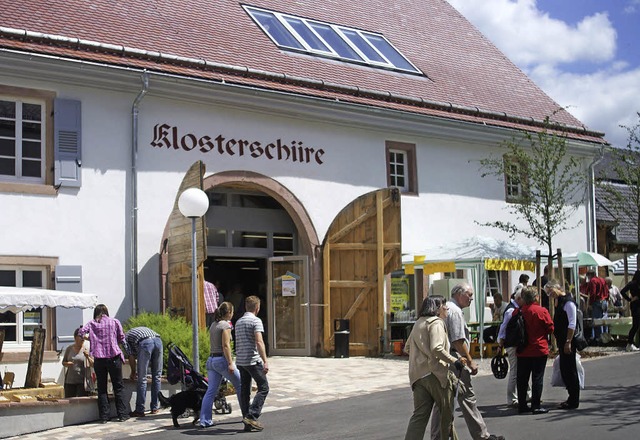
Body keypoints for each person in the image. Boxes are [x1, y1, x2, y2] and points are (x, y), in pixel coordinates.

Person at [431, 283, 505, 440]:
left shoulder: (448, 308)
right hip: (455, 359)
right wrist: (470, 361)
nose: (472, 298)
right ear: (459, 294)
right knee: (466, 397)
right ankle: (481, 436)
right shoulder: (455, 311)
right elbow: (458, 341)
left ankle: (437, 436)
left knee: (443, 401)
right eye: (469, 294)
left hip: (444, 359)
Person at [404, 295, 466, 440]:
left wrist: (422, 355)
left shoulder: (418, 322)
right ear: (437, 309)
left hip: (418, 376)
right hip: (435, 375)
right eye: (444, 305)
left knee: (419, 417)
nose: (447, 308)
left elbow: (407, 348)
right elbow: (437, 348)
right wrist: (454, 361)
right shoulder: (436, 323)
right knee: (446, 415)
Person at [80, 304, 129, 423]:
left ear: (95, 313)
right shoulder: (115, 321)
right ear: (106, 312)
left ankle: (104, 417)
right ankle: (122, 415)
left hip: (99, 359)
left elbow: (81, 333)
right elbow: (122, 338)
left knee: (101, 388)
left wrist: (91, 338)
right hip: (114, 357)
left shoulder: (92, 323)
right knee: (118, 386)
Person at [199, 301, 243, 428]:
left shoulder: (213, 324)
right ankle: (247, 414)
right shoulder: (225, 325)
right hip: (221, 360)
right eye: (232, 311)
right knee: (240, 385)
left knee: (211, 391)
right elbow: (226, 345)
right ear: (229, 313)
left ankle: (205, 420)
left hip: (211, 360)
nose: (233, 314)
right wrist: (230, 363)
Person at [516, 287, 554, 414]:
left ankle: (522, 405)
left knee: (522, 379)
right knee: (537, 378)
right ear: (536, 297)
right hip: (538, 348)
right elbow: (550, 327)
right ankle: (536, 405)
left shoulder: (518, 311)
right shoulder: (541, 310)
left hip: (522, 349)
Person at [235, 295, 269, 432]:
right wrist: (265, 360)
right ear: (257, 308)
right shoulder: (256, 321)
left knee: (245, 391)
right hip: (252, 360)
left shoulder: (238, 322)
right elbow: (259, 342)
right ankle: (252, 415)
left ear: (245, 307)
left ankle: (246, 421)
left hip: (241, 360)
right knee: (264, 387)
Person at [545, 280, 580, 409]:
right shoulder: (559, 301)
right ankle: (571, 396)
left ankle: (574, 399)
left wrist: (568, 342)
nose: (550, 295)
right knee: (565, 368)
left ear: (557, 288)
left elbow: (572, 323)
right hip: (562, 340)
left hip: (567, 341)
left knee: (570, 369)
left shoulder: (568, 303)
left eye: (550, 292)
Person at [497, 289, 529, 407]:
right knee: (514, 371)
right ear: (519, 299)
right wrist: (500, 344)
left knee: (521, 370)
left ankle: (526, 394)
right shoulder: (511, 310)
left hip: (515, 343)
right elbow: (503, 328)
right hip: (512, 344)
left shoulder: (516, 309)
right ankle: (512, 398)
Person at [125, 326, 163, 417]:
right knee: (157, 377)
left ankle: (140, 410)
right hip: (158, 341)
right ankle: (155, 407)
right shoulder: (133, 332)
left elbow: (131, 356)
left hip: (146, 343)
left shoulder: (124, 339)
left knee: (142, 378)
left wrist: (133, 372)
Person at [62, 327, 94, 397]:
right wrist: (67, 364)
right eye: (80, 336)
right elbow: (63, 362)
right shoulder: (69, 349)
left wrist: (88, 357)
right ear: (75, 337)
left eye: (84, 336)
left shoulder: (87, 349)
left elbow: (93, 364)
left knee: (81, 403)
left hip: (82, 382)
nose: (83, 338)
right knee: (69, 402)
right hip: (70, 381)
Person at [585, 269, 608, 343]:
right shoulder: (602, 280)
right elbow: (607, 291)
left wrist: (590, 303)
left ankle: (599, 338)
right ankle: (606, 337)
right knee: (604, 321)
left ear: (590, 275)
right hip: (604, 301)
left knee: (597, 321)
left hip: (597, 301)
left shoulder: (593, 281)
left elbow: (593, 293)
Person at [620, 270, 640, 352]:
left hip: (635, 305)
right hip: (636, 305)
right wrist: (630, 299)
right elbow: (622, 291)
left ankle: (630, 343)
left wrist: (630, 299)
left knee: (636, 325)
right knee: (636, 325)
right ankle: (629, 343)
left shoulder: (632, 283)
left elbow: (622, 291)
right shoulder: (634, 284)